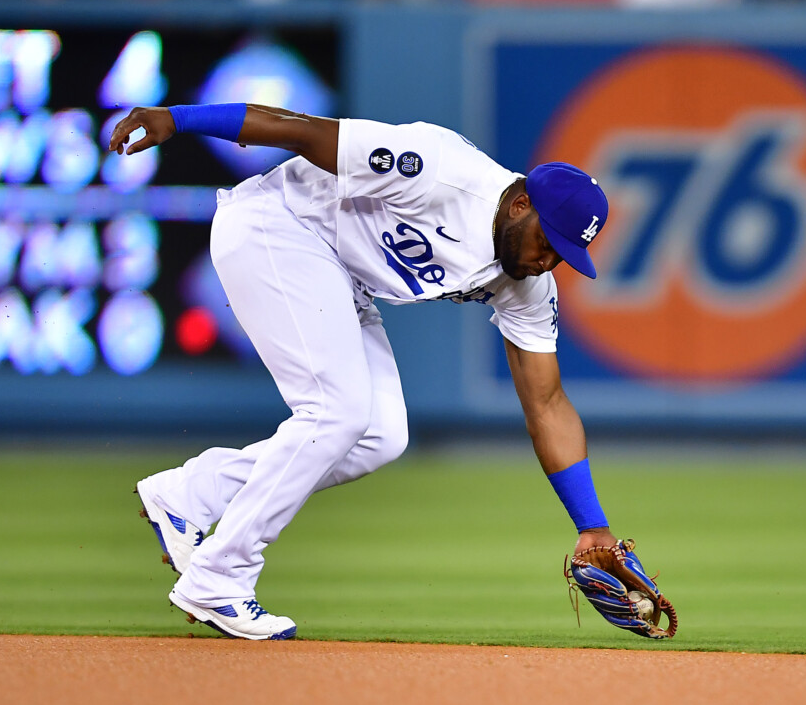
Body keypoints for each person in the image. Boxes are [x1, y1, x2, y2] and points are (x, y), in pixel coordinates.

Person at [109, 102, 620, 640]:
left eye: (564, 254)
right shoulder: (436, 169)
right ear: (520, 204)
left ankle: (189, 495)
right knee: (337, 412)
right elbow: (297, 131)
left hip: (339, 273)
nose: (548, 262)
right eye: (548, 242)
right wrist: (179, 119)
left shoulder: (528, 285)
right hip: (275, 227)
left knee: (380, 435)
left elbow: (547, 403)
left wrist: (592, 525)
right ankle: (220, 575)